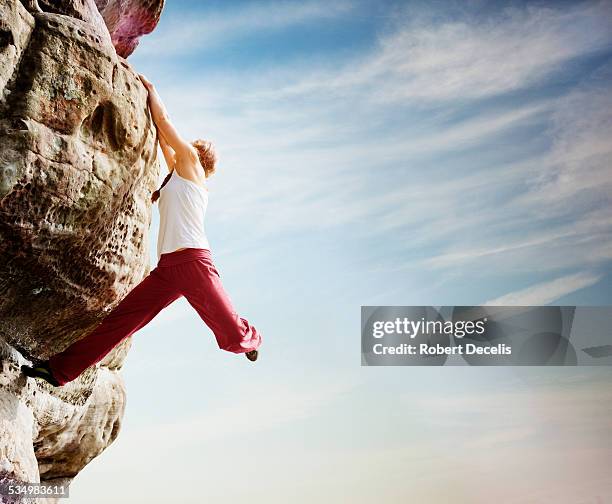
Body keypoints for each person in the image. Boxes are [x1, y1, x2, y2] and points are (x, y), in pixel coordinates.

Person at [21, 74, 262, 387]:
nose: (185, 147)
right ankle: (58, 371)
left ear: (199, 156)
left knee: (229, 330)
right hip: (168, 270)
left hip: (192, 260)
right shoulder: (178, 174)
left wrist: (151, 89)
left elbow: (164, 123)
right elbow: (164, 141)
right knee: (120, 322)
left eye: (192, 146)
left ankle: (251, 339)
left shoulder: (191, 166)